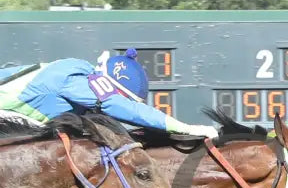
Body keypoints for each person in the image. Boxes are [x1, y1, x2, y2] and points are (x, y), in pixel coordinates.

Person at [0, 48, 218, 138]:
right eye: (120, 96)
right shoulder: (78, 79)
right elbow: (117, 106)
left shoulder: (78, 73)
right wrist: (185, 128)